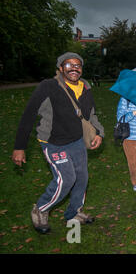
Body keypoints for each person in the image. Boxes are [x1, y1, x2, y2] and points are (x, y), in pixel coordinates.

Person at [11, 52, 104, 234]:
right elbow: (28, 115)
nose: (74, 68)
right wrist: (19, 147)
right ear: (61, 68)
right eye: (69, 65)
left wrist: (99, 132)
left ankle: (74, 212)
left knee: (82, 178)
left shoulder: (85, 87)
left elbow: (90, 115)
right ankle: (41, 209)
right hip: (53, 142)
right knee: (66, 179)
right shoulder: (49, 86)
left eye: (78, 65)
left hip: (77, 140)